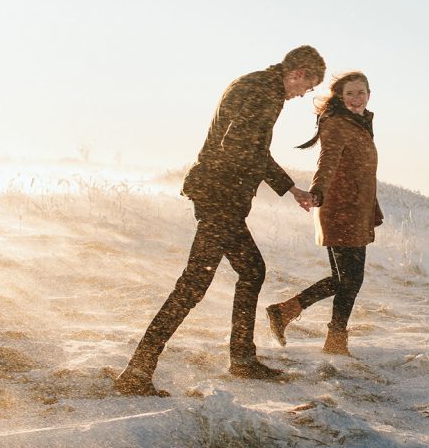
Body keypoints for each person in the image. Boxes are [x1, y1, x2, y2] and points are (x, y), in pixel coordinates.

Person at [114, 45, 325, 396]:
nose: (305, 93)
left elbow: (251, 148)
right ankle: (142, 371)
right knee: (203, 283)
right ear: (298, 73)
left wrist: (288, 189)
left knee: (231, 275)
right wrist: (283, 188)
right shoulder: (263, 92)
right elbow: (240, 145)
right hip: (219, 197)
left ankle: (236, 359)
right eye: (309, 85)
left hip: (218, 194)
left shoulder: (258, 85)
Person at [266, 71, 381, 356]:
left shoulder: (360, 124)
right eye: (350, 93)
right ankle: (328, 337)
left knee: (346, 279)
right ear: (341, 98)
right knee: (349, 279)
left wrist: (371, 208)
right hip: (340, 209)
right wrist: (316, 191)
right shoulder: (338, 124)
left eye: (360, 92)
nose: (356, 98)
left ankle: (294, 316)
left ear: (369, 94)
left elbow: (362, 172)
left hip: (355, 210)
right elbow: (327, 161)